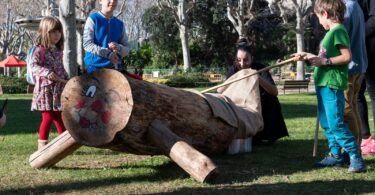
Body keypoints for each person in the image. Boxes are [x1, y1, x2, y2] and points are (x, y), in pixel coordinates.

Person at [292, 0, 366, 173]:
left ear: (325, 14)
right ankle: (336, 155)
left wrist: (324, 61)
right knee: (327, 123)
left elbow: (346, 56)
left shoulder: (338, 30)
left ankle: (356, 157)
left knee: (337, 124)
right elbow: (324, 57)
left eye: (318, 17)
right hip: (323, 84)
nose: (319, 22)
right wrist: (307, 56)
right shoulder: (331, 32)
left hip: (332, 85)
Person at [226, 38, 289, 144]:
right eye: (239, 60)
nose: (242, 64)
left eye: (246, 60)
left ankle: (266, 135)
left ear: (252, 58)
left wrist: (257, 77)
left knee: (271, 99)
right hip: (239, 105)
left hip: (259, 104)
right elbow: (225, 91)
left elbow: (274, 92)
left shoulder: (260, 68)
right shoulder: (233, 70)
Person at [31, 16, 69, 150]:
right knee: (47, 118)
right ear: (44, 32)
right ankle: (42, 147)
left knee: (59, 117)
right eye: (53, 31)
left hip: (57, 90)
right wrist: (47, 73)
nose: (57, 34)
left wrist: (66, 78)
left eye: (59, 31)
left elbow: (60, 68)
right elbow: (33, 66)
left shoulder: (59, 51)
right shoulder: (39, 50)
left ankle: (64, 145)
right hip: (45, 91)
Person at [342, 0, 368, 145]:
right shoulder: (354, 4)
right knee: (352, 106)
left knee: (346, 109)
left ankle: (352, 149)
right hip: (358, 64)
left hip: (349, 66)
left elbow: (339, 34)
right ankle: (356, 145)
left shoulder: (346, 7)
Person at [83, 0, 129, 73]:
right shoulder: (93, 19)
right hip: (94, 67)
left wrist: (119, 48)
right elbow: (87, 44)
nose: (112, 1)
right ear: (100, 1)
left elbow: (127, 48)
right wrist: (108, 54)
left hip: (115, 69)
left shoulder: (120, 24)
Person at [357, 0, 375, 154]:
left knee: (374, 92)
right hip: (358, 49)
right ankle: (365, 136)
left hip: (371, 47)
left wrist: (357, 35)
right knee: (356, 92)